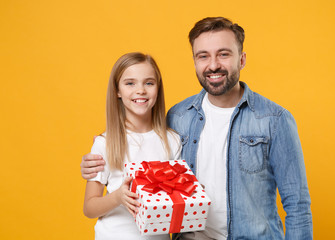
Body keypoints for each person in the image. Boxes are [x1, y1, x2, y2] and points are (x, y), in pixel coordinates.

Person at [81, 17, 313, 240]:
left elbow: (297, 205)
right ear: (194, 61)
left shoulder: (274, 119)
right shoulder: (178, 117)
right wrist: (96, 158)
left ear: (241, 60)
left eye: (223, 54)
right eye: (203, 56)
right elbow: (139, 146)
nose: (213, 65)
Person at [83, 52, 181, 240]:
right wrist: (118, 197)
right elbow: (89, 208)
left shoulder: (172, 140)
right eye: (130, 83)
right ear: (117, 91)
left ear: (158, 89)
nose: (141, 90)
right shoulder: (105, 143)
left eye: (149, 83)